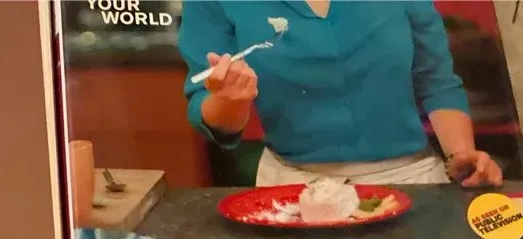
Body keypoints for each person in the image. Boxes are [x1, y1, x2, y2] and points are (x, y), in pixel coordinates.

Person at [179, 0, 504, 188]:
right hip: (291, 192)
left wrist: (463, 157)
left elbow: (436, 81)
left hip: (411, 184)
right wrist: (229, 100)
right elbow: (209, 114)